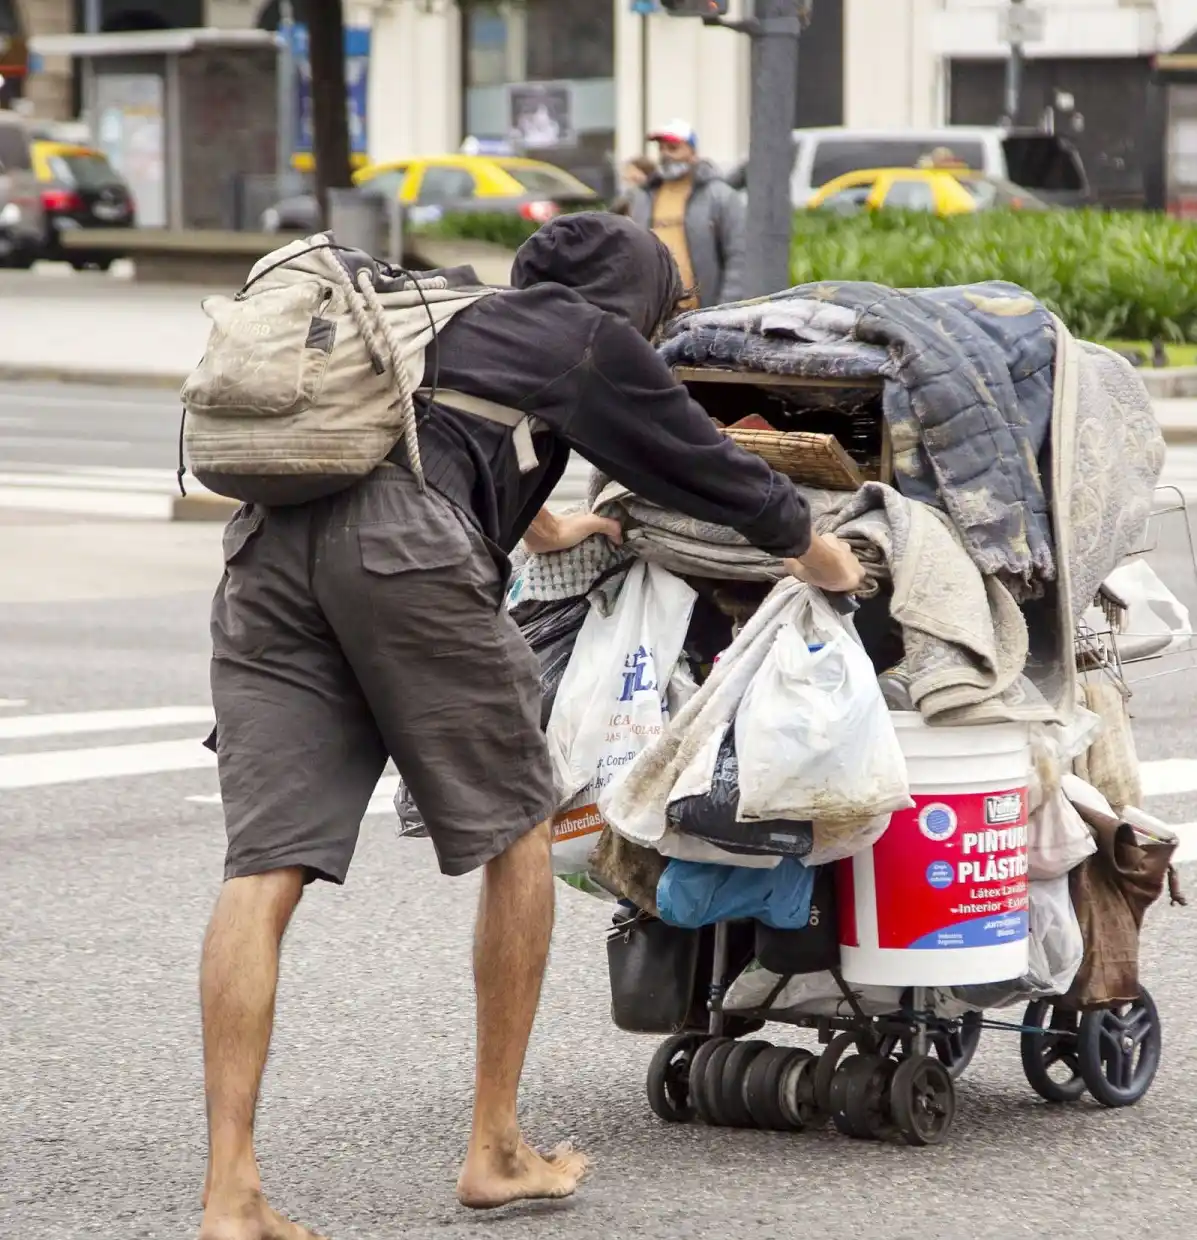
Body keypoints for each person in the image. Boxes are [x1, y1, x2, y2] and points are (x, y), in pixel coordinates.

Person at [195, 211, 865, 1240]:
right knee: (520, 834)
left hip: (268, 554)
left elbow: (442, 434)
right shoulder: (590, 336)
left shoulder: (456, 313)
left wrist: (548, 522)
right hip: (404, 556)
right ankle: (497, 1146)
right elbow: (715, 471)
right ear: (635, 299)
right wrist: (824, 559)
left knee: (264, 865)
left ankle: (231, 1190)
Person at [624, 118, 746, 308]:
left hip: (703, 313)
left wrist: (725, 308)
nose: (665, 155)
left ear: (693, 153)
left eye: (673, 148)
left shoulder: (720, 196)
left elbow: (739, 256)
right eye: (661, 149)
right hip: (655, 314)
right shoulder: (644, 196)